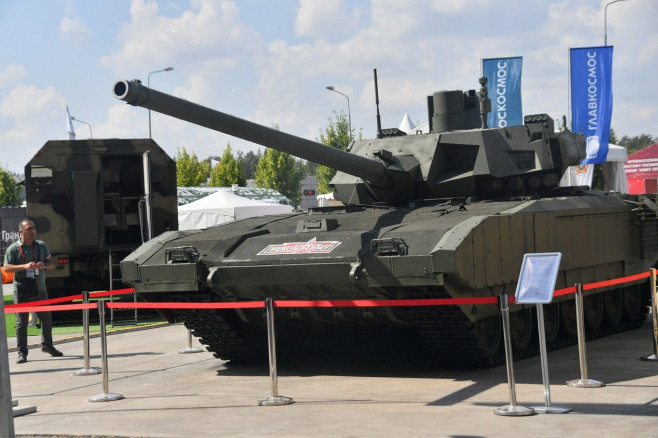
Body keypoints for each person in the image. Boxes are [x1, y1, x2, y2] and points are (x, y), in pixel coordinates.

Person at [3, 219, 63, 364]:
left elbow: (51, 264)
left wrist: (44, 265)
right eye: (29, 228)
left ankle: (47, 345)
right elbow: (6, 268)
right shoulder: (13, 248)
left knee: (46, 320)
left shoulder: (41, 245)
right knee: (21, 323)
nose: (32, 231)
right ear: (21, 232)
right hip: (22, 290)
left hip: (40, 288)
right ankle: (22, 352)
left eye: (34, 228)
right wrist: (25, 266)